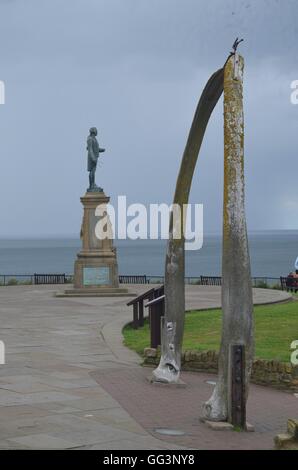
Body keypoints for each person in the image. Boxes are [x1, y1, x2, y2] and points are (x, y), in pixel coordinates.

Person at [87, 127, 105, 191]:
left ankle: (92, 184)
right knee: (92, 171)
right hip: (92, 157)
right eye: (96, 130)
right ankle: (92, 185)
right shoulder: (90, 139)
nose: (97, 132)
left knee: (93, 171)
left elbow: (95, 148)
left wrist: (101, 150)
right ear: (94, 131)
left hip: (95, 157)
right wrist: (93, 158)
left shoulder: (94, 139)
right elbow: (90, 149)